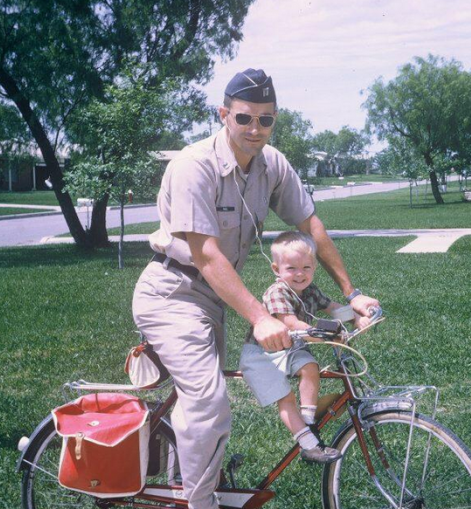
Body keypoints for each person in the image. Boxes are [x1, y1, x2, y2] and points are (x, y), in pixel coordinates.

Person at [131, 68, 379, 509]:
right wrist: (261, 317)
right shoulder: (193, 166)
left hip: (215, 295)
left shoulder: (272, 165)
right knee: (209, 402)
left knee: (199, 404)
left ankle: (184, 483)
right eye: (244, 117)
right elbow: (206, 255)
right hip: (172, 292)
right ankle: (201, 504)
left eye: (266, 120)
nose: (255, 128)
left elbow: (311, 226)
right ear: (223, 114)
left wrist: (351, 292)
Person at [240, 231, 369, 463]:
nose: (300, 274)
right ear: (276, 269)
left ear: (314, 267)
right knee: (286, 396)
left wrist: (356, 316)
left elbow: (333, 307)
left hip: (290, 348)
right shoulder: (277, 292)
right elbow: (290, 322)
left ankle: (309, 423)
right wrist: (323, 335)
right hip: (261, 353)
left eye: (306, 267)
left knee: (310, 366)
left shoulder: (310, 290)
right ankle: (309, 444)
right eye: (291, 268)